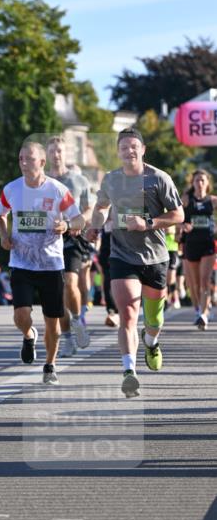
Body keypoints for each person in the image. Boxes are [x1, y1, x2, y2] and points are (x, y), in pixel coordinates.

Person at [87, 128, 184, 398]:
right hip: (122, 255)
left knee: (154, 320)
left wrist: (148, 223)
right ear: (118, 152)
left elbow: (178, 214)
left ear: (143, 150)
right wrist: (95, 227)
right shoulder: (111, 180)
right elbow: (102, 207)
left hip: (155, 257)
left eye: (133, 147)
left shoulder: (158, 179)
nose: (129, 151)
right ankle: (129, 372)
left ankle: (151, 342)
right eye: (123, 148)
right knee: (128, 312)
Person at [0, 140, 83, 385]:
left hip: (51, 264)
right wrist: (3, 235)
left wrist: (66, 225)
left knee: (52, 319)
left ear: (42, 162)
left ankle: (50, 365)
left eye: (29, 158)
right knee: (21, 315)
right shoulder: (12, 189)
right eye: (21, 158)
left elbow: (78, 220)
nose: (23, 163)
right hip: (21, 262)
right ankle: (28, 334)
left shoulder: (57, 190)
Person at [45, 135, 93, 355]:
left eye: (60, 151)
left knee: (70, 283)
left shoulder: (77, 180)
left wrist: (76, 222)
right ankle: (67, 338)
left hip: (72, 237)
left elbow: (89, 209)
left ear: (66, 154)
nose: (56, 155)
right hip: (48, 240)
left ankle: (76, 320)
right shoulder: (41, 181)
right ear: (47, 154)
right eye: (53, 151)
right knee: (56, 291)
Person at [180, 169, 217, 330]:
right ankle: (197, 310)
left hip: (208, 244)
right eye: (197, 180)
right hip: (191, 243)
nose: (200, 183)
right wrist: (183, 225)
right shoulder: (187, 199)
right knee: (193, 284)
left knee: (205, 281)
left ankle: (203, 314)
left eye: (203, 180)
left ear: (208, 183)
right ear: (192, 183)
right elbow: (175, 217)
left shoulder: (213, 200)